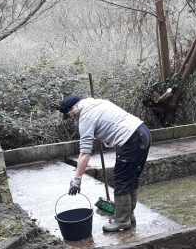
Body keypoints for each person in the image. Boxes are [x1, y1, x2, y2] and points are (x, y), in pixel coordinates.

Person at [58, 94, 152, 233]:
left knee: (121, 179)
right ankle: (128, 216)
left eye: (70, 114)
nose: (71, 117)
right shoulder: (97, 103)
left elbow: (85, 153)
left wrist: (77, 179)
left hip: (131, 139)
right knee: (131, 178)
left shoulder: (86, 117)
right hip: (143, 133)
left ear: (74, 107)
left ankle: (122, 220)